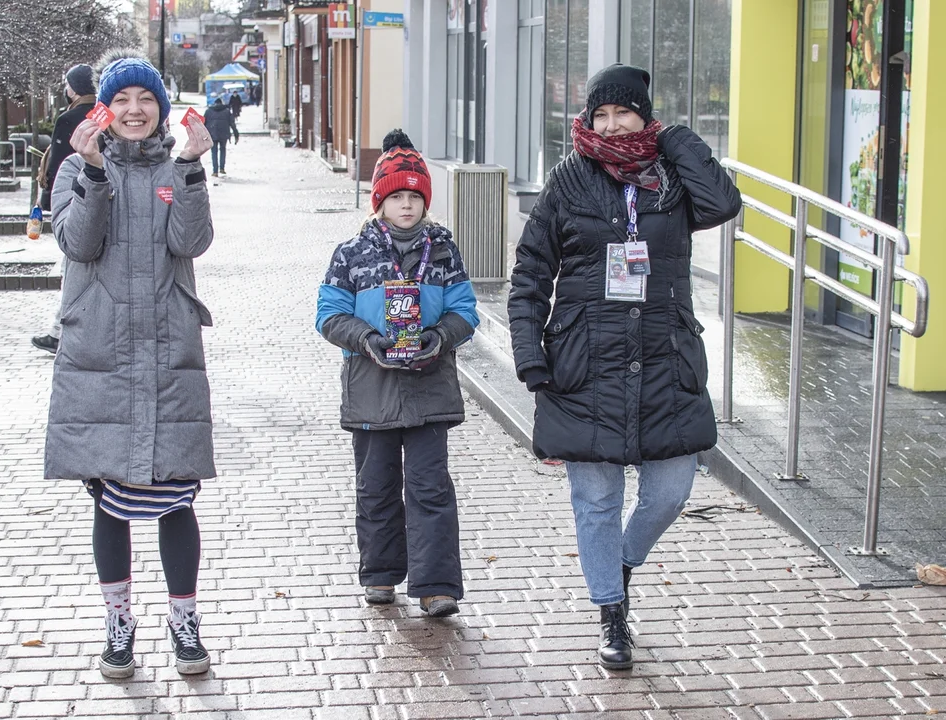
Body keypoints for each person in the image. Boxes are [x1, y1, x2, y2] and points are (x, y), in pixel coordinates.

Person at [506, 64, 741, 670]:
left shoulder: (673, 179)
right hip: (585, 363)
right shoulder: (568, 179)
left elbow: (723, 203)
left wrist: (676, 138)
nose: (610, 126)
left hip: (665, 359)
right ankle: (612, 612)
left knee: (670, 490)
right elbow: (531, 274)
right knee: (596, 500)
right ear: (587, 119)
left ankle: (622, 564)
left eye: (624, 115)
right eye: (600, 115)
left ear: (645, 117)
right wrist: (530, 358)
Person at [45, 49, 216, 679]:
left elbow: (190, 242)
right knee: (109, 495)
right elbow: (78, 243)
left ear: (160, 109)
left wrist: (194, 168)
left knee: (175, 494)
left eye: (146, 100)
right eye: (122, 101)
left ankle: (184, 621)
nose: (135, 110)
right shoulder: (73, 168)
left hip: (168, 347)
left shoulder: (178, 169)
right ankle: (119, 622)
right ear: (104, 110)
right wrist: (92, 173)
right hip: (102, 351)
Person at [316, 130, 479, 618]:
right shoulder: (351, 254)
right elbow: (328, 314)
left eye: (414, 196)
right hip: (373, 390)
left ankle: (436, 585)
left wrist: (441, 337)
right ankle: (382, 574)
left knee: (430, 487)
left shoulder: (443, 252)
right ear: (380, 201)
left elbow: (465, 310)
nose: (406, 205)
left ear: (425, 201)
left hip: (429, 389)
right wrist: (367, 340)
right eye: (396, 196)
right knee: (376, 485)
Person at [31, 63, 97, 354]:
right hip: (97, 194)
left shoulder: (69, 117)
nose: (64, 88)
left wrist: (45, 200)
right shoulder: (102, 114)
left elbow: (59, 162)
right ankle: (61, 329)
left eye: (67, 83)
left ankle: (61, 330)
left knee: (72, 265)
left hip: (73, 198)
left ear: (75, 87)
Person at [203, 97, 238, 178]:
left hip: (212, 134)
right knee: (223, 150)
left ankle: (215, 171)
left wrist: (203, 136)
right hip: (224, 134)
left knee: (214, 152)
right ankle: (222, 168)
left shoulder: (208, 111)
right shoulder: (227, 111)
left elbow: (203, 124)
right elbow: (232, 124)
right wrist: (236, 134)